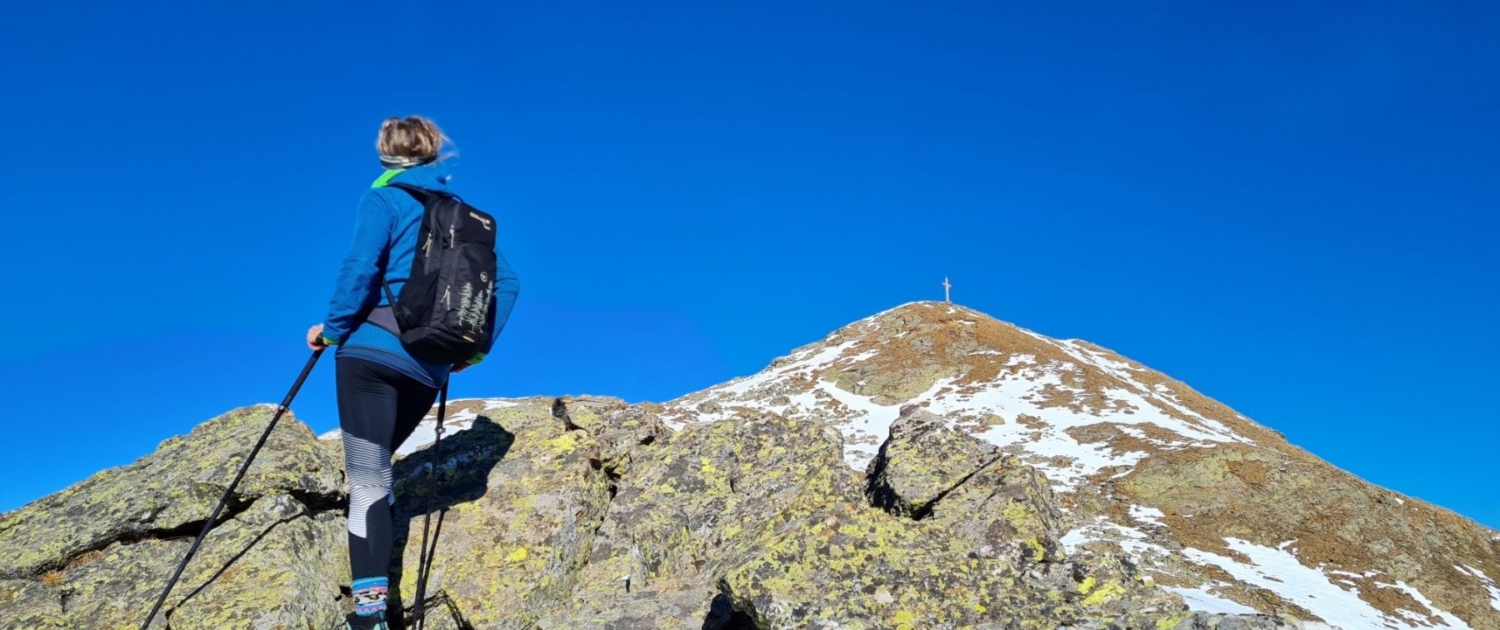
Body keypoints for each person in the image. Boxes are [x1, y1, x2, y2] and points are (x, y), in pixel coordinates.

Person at [306, 115, 518, 630]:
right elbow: (506, 284)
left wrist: (332, 329)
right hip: (428, 369)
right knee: (380, 473)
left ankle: (371, 615)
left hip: (371, 357)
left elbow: (361, 267)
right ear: (433, 153)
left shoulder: (383, 199)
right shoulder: (464, 216)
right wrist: (470, 353)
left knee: (368, 479)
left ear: (384, 155)